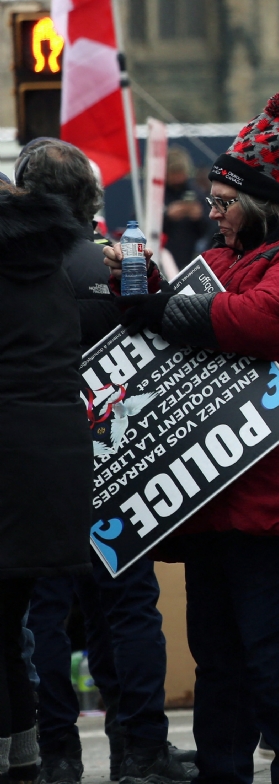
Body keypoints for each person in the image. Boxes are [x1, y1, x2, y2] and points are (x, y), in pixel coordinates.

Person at [109, 92, 279, 784]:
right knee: (217, 651)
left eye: (224, 201)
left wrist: (167, 309)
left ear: (262, 199)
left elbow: (266, 318)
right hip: (220, 486)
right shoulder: (228, 258)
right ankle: (224, 771)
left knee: (274, 649)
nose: (214, 214)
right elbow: (195, 314)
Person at [13, 141, 191, 784]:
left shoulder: (17, 266)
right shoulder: (118, 266)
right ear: (89, 199)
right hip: (120, 457)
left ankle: (55, 749)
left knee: (44, 613)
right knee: (129, 604)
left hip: (36, 464)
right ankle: (141, 748)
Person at [0, 182, 93, 784]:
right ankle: (24, 752)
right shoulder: (58, 268)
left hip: (6, 456)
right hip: (54, 460)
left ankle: (19, 752)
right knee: (10, 619)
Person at [161, 147, 213, 267]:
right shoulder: (156, 193)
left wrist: (199, 216)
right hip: (161, 255)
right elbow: (140, 222)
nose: (178, 177)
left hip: (190, 256)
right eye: (174, 173)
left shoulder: (196, 192)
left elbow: (211, 228)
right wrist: (167, 215)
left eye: (181, 173)